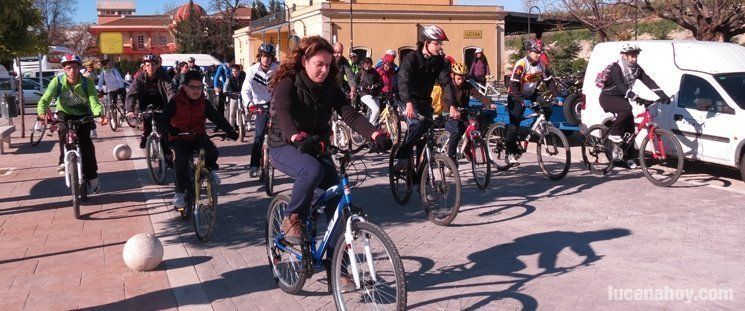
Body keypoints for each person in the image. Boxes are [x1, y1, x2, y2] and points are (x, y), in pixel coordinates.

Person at [267, 35, 392, 246]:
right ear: (304, 61)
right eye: (319, 64)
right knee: (312, 171)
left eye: (327, 65)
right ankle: (292, 216)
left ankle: (337, 268)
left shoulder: (330, 87)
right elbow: (284, 112)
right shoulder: (287, 84)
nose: (324, 70)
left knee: (337, 199)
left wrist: (375, 134)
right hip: (284, 145)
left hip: (317, 145)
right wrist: (295, 136)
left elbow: (350, 114)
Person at [165, 71, 238, 208]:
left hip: (197, 135)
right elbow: (163, 120)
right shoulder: (175, 101)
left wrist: (230, 130)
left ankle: (207, 172)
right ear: (185, 87)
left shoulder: (203, 102)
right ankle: (180, 193)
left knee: (212, 152)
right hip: (179, 137)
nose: (196, 91)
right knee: (180, 160)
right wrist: (171, 130)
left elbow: (216, 117)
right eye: (192, 87)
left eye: (199, 87)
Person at [37, 54, 107, 192]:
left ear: (79, 68)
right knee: (63, 133)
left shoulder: (87, 83)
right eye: (69, 68)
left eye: (75, 67)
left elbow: (94, 101)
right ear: (64, 69)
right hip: (65, 113)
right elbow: (45, 99)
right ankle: (63, 161)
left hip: (83, 114)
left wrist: (99, 114)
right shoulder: (57, 82)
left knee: (86, 145)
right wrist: (41, 112)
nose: (72, 71)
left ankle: (92, 178)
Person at [599, 43, 671, 168]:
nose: (634, 59)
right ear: (624, 56)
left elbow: (648, 81)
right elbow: (621, 86)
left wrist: (663, 95)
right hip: (608, 97)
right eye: (631, 56)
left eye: (636, 56)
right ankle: (614, 133)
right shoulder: (616, 68)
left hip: (622, 97)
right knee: (627, 108)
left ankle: (629, 157)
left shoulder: (637, 69)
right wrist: (635, 97)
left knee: (630, 129)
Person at [394, 24, 454, 170]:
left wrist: (452, 105)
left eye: (441, 44)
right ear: (426, 43)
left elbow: (446, 83)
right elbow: (403, 81)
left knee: (427, 131)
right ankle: (402, 156)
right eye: (437, 43)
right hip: (407, 99)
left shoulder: (440, 61)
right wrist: (407, 103)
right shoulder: (411, 59)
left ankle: (421, 174)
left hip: (424, 100)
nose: (440, 47)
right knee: (417, 124)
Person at [505, 39, 560, 166]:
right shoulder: (522, 64)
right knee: (514, 127)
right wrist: (521, 100)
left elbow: (549, 81)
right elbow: (513, 85)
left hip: (531, 93)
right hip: (516, 95)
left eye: (540, 52)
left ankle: (539, 126)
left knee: (547, 104)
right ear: (529, 51)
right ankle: (510, 153)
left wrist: (558, 96)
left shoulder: (541, 64)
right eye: (536, 52)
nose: (538, 54)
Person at [444, 62, 494, 169]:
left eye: (462, 78)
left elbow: (478, 95)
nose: (461, 80)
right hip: (449, 113)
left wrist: (489, 103)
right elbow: (448, 98)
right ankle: (450, 157)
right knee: (456, 132)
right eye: (458, 78)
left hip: (462, 113)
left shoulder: (467, 85)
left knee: (472, 129)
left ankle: (466, 149)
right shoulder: (449, 85)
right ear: (453, 75)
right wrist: (452, 108)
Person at [242, 42, 279, 178]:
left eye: (269, 56)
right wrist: (249, 104)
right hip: (259, 105)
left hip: (274, 104)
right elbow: (245, 89)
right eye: (263, 56)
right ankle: (254, 166)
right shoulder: (252, 70)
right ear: (259, 56)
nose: (266, 59)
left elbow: (285, 85)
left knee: (282, 133)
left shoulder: (277, 69)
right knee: (258, 136)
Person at [126, 54, 176, 151]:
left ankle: (166, 153)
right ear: (144, 67)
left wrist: (173, 106)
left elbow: (171, 91)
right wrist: (130, 109)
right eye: (148, 65)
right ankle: (145, 135)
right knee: (147, 119)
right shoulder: (140, 78)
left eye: (153, 65)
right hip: (145, 101)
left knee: (163, 127)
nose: (151, 67)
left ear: (157, 65)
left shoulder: (164, 76)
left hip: (160, 101)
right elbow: (132, 94)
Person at [356, 57, 383, 126]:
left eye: (369, 63)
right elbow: (354, 83)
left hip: (374, 94)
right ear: (363, 64)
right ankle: (370, 128)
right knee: (376, 110)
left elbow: (381, 83)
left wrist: (375, 86)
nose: (367, 65)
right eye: (366, 63)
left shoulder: (375, 72)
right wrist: (361, 87)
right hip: (364, 94)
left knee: (377, 113)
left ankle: (373, 128)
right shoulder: (360, 72)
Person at [225, 64, 246, 131]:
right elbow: (227, 85)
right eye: (233, 71)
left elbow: (248, 84)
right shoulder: (229, 77)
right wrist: (227, 91)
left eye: (236, 71)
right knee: (232, 112)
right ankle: (231, 127)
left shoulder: (244, 76)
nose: (234, 73)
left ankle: (247, 123)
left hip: (243, 95)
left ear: (239, 71)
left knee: (246, 109)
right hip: (233, 95)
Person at [213, 59, 233, 127]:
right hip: (225, 88)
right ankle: (220, 123)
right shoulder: (222, 67)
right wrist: (215, 86)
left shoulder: (234, 66)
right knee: (221, 106)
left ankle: (234, 122)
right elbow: (216, 77)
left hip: (233, 88)